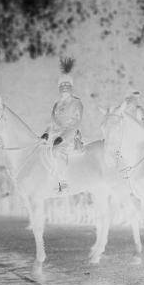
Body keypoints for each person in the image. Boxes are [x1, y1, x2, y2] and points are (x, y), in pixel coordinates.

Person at [41, 58, 84, 193]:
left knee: (57, 151)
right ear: (59, 87)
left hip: (70, 137)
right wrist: (46, 133)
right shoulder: (56, 104)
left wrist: (63, 137)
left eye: (67, 84)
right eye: (62, 84)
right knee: (41, 150)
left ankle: (63, 183)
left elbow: (75, 124)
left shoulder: (76, 103)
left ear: (71, 87)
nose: (65, 86)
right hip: (55, 136)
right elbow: (52, 123)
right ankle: (47, 180)